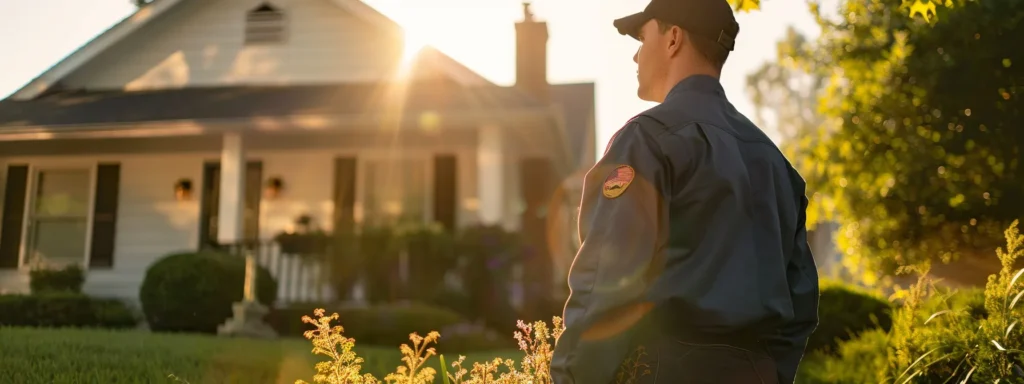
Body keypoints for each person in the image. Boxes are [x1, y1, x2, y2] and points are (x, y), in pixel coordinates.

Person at [549, 0, 820, 383]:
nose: (635, 55)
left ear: (673, 38)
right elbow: (801, 304)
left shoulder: (646, 141)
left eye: (643, 38)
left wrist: (572, 378)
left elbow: (607, 283)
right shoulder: (777, 165)